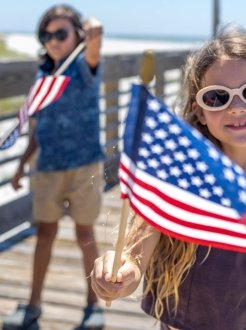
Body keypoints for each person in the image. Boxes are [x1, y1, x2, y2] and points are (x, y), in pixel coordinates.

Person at [90, 26, 246, 330]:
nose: (236, 107)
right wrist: (121, 272)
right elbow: (134, 255)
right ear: (200, 111)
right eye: (217, 97)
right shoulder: (176, 182)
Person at [3, 4, 105, 330]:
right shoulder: (42, 75)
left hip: (84, 166)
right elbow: (38, 127)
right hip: (47, 166)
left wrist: (91, 28)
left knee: (85, 232)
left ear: (77, 35)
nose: (54, 41)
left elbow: (96, 34)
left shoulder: (85, 67)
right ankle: (33, 305)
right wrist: (21, 165)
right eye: (47, 35)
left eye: (62, 33)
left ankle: (94, 304)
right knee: (44, 233)